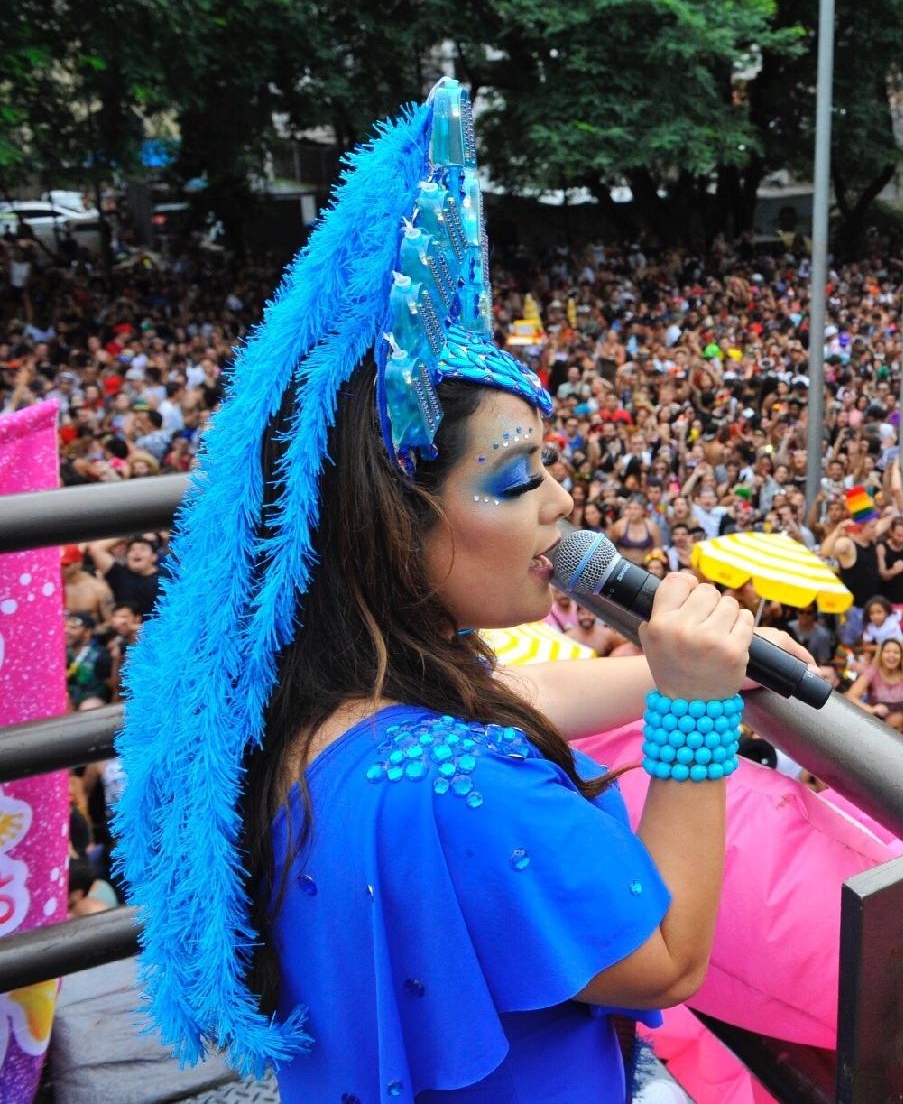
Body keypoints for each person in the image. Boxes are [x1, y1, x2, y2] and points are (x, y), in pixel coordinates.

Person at [109, 81, 823, 1100]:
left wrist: (668, 674)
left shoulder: (308, 706)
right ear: (391, 524)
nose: (562, 504)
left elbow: (515, 695)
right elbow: (665, 954)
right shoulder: (464, 782)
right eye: (517, 478)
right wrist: (696, 721)